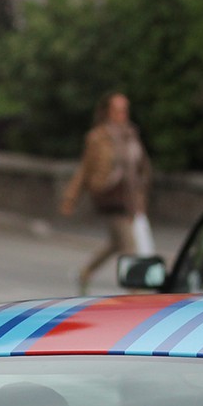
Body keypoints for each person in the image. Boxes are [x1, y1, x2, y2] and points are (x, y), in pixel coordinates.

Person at [62, 91, 152, 296]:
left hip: (131, 199)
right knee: (129, 247)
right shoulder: (97, 138)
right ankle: (136, 293)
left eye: (125, 109)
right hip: (110, 199)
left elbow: (142, 167)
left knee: (115, 243)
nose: (123, 114)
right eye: (118, 110)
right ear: (107, 112)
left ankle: (85, 272)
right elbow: (84, 170)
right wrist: (70, 199)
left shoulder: (132, 134)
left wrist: (142, 193)